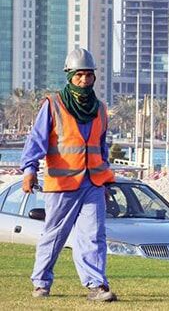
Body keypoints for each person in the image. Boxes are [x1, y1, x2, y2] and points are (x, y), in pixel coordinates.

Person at [20, 49, 117, 302]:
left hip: (93, 183)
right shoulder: (53, 105)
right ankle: (41, 282)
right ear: (70, 77)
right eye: (79, 76)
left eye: (88, 75)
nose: (84, 80)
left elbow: (102, 147)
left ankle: (97, 285)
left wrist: (105, 180)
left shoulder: (101, 109)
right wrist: (29, 170)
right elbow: (36, 141)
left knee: (93, 235)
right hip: (62, 183)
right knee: (55, 235)